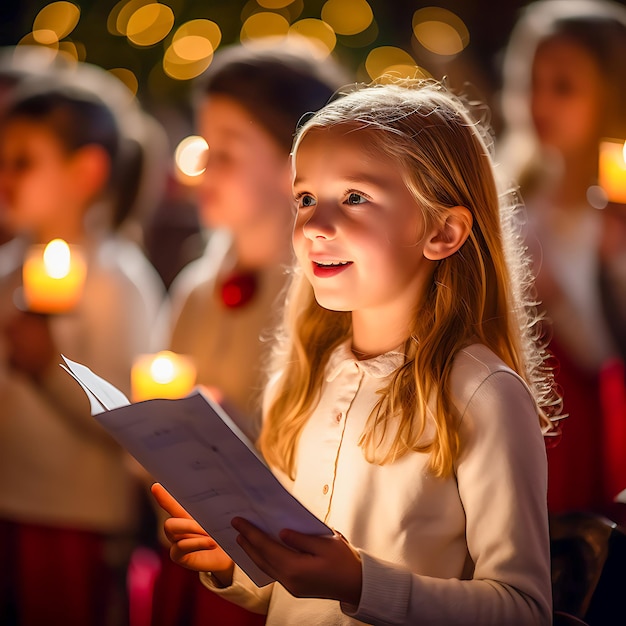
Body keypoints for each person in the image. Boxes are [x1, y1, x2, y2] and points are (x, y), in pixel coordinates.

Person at [151, 78, 560, 625]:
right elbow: (287, 592)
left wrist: (361, 582)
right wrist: (233, 560)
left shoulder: (480, 393)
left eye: (355, 197)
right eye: (305, 198)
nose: (315, 225)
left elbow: (524, 610)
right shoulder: (302, 381)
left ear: (442, 230)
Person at [147, 39, 350, 626]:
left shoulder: (325, 296)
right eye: (202, 145)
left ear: (297, 165)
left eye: (227, 152)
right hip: (194, 547)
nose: (202, 169)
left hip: (275, 568)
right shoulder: (196, 287)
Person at [0, 76, 166, 626]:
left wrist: (48, 367)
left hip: (76, 515)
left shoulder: (117, 282)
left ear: (85, 172)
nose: (4, 177)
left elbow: (130, 419)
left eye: (23, 162)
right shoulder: (6, 270)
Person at [497, 0, 626, 517]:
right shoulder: (511, 197)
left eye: (564, 87)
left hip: (577, 448)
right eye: (531, 82)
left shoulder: (611, 221)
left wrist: (552, 300)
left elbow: (610, 358)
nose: (539, 102)